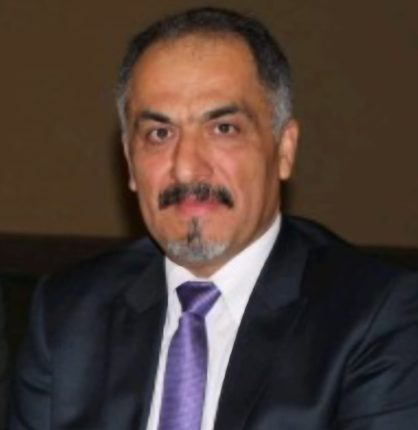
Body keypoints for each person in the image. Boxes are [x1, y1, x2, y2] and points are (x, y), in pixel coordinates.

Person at [10, 7, 418, 430]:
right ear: (130, 164)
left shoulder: (374, 316)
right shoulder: (68, 315)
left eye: (223, 128)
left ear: (284, 149)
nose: (187, 168)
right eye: (159, 134)